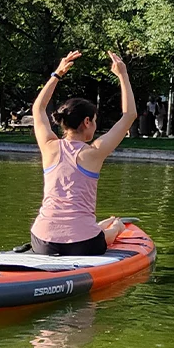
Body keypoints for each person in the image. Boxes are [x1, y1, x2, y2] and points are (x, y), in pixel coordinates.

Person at [29, 50, 137, 255]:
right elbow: (129, 115)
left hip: (42, 242)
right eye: (94, 121)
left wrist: (57, 74)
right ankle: (115, 227)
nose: (95, 126)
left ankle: (100, 225)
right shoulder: (94, 152)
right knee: (111, 231)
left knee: (84, 229)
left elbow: (38, 109)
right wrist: (123, 75)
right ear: (87, 122)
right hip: (83, 243)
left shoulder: (48, 146)